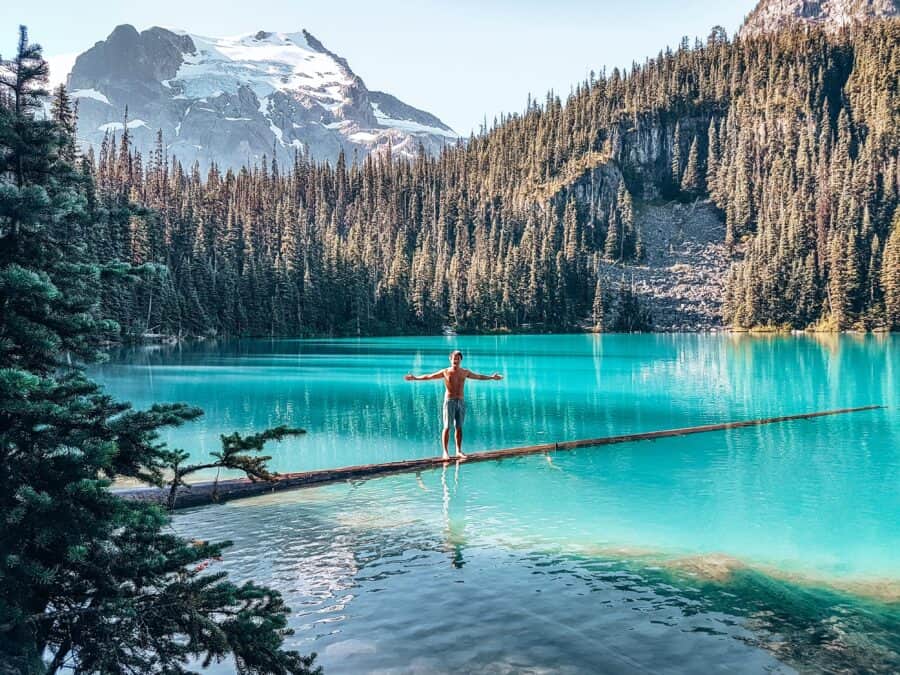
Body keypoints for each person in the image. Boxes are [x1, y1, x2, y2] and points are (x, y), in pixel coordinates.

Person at [405, 350, 503, 460]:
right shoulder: (445, 372)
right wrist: (415, 378)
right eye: (454, 358)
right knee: (447, 427)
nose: (456, 360)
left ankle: (458, 451)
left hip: (460, 401)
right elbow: (429, 376)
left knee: (459, 427)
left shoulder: (465, 372)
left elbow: (479, 377)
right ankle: (445, 452)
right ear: (450, 359)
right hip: (449, 401)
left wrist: (492, 377)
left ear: (461, 360)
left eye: (458, 358)